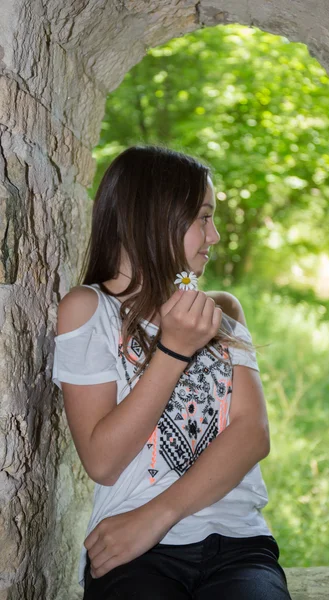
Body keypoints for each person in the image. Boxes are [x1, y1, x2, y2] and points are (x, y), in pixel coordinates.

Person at [52, 144, 292, 599]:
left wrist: (158, 515)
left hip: (239, 543)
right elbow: (102, 461)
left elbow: (252, 434)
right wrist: (173, 351)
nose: (215, 235)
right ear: (155, 216)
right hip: (129, 552)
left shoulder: (220, 311)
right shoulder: (88, 310)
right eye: (203, 217)